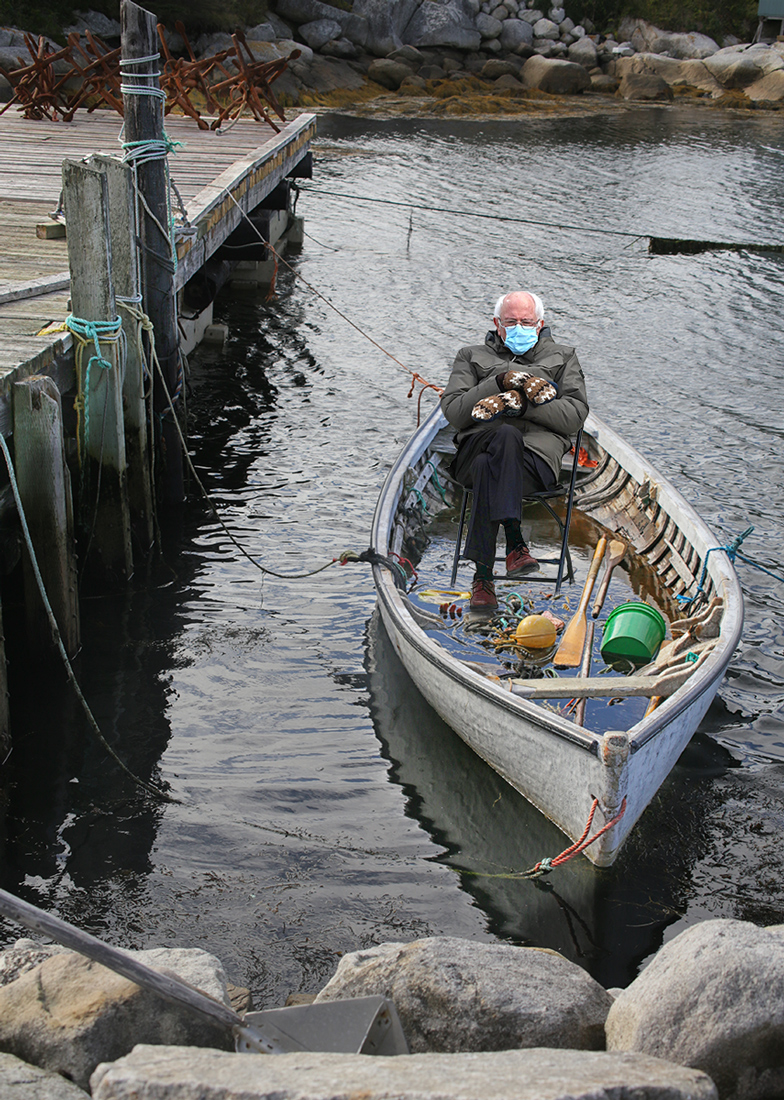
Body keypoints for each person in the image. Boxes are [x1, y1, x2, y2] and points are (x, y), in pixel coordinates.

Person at [440, 291, 589, 611]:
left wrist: (519, 407)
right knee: (499, 440)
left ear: (540, 324)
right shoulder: (470, 356)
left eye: (526, 321)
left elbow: (574, 416)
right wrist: (498, 381)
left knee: (488, 465)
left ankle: (483, 579)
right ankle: (514, 542)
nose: (519, 327)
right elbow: (454, 413)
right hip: (476, 445)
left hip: (533, 463)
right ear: (497, 324)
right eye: (511, 322)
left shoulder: (563, 357)